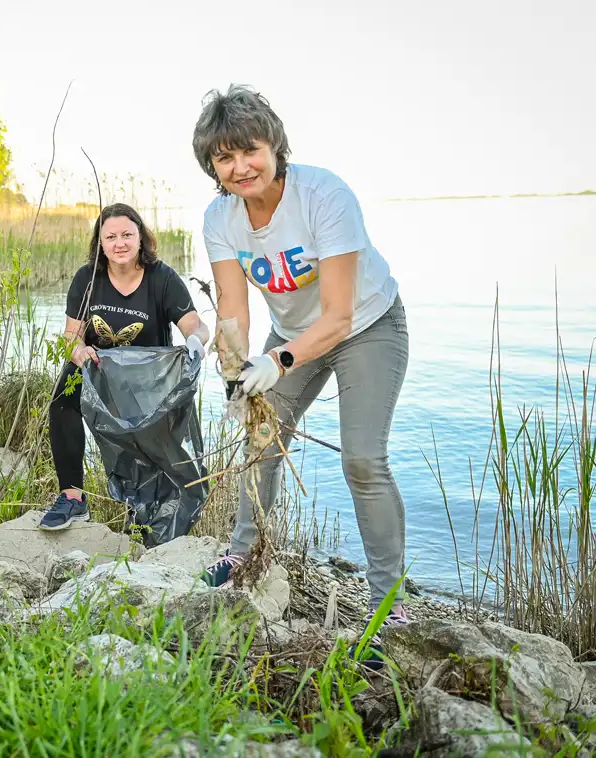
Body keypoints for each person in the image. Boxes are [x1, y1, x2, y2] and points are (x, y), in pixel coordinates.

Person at [191, 84, 412, 651]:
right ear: (212, 166)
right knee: (260, 442)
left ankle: (388, 600)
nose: (240, 167)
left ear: (274, 147)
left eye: (250, 151)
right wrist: (235, 372)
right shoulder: (220, 218)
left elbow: (338, 316)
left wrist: (278, 360)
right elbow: (234, 310)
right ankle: (242, 555)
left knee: (364, 460)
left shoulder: (324, 195)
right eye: (224, 158)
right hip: (286, 337)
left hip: (366, 326)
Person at [40, 202, 210, 531]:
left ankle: (157, 509)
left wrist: (196, 341)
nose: (120, 243)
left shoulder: (162, 278)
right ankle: (73, 498)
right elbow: (70, 336)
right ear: (100, 244)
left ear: (141, 239)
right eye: (111, 237)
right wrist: (77, 351)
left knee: (151, 445)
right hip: (97, 370)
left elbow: (196, 325)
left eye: (127, 235)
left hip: (147, 380)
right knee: (62, 402)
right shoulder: (87, 279)